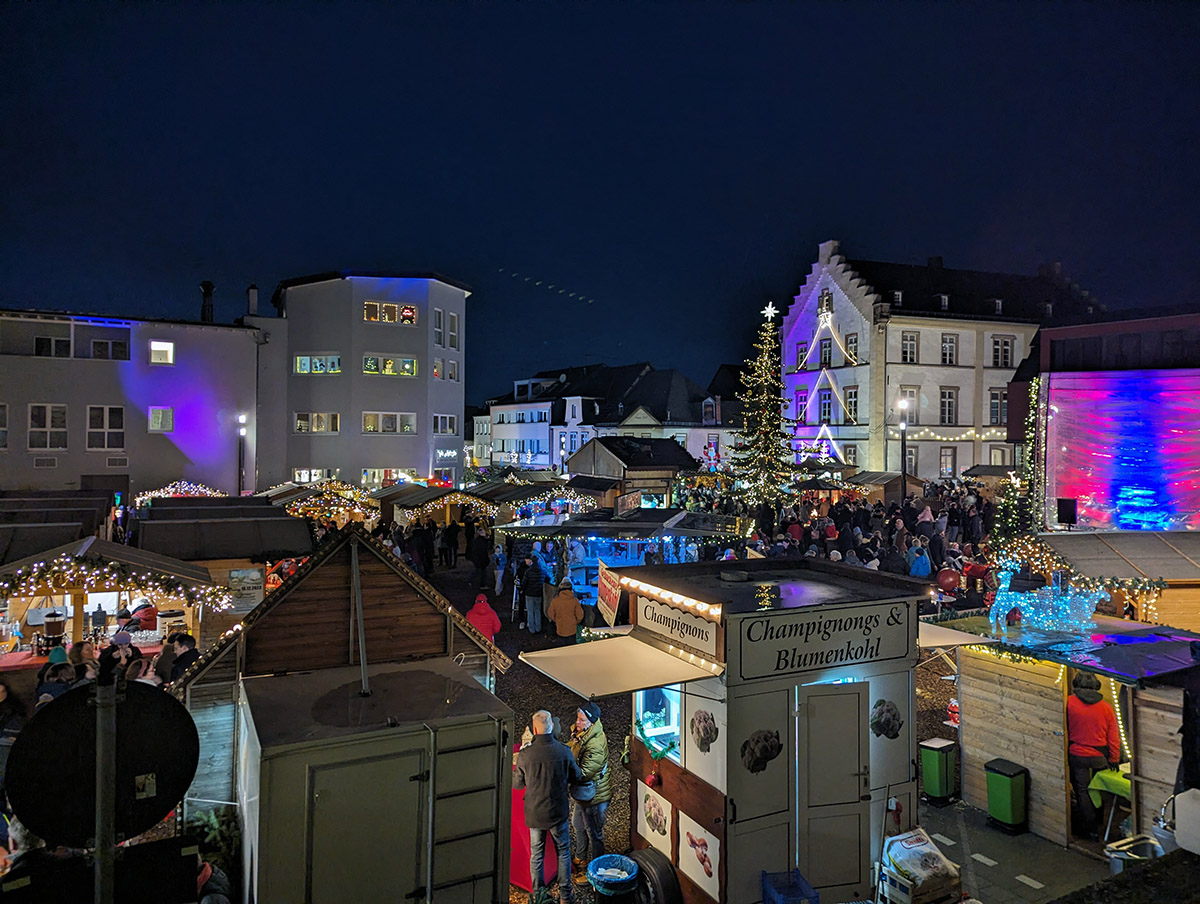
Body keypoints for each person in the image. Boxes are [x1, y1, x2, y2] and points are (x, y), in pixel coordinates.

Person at [513, 710, 580, 904]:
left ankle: (538, 894)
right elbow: (576, 776)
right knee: (564, 851)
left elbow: (517, 784)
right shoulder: (563, 751)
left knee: (537, 854)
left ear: (534, 730)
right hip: (558, 812)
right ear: (551, 726)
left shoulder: (525, 756)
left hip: (535, 814)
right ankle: (566, 896)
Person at [1067, 672, 1121, 840]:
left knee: (1082, 791)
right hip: (1099, 755)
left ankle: (1089, 829)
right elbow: (1113, 738)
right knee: (1098, 789)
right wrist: (1114, 758)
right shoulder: (1106, 708)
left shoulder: (1069, 702)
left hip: (1077, 753)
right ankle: (1100, 824)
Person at [567, 702, 611, 885]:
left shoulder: (594, 745)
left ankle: (596, 871)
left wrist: (565, 771)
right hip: (584, 793)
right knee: (578, 823)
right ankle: (581, 856)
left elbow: (585, 773)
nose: (577, 722)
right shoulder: (583, 733)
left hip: (594, 795)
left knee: (595, 833)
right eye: (578, 718)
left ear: (591, 722)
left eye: (581, 719)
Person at [522, 554, 546, 635]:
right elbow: (548, 579)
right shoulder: (543, 571)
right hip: (538, 593)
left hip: (529, 593)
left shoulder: (528, 572)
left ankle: (531, 629)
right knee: (537, 611)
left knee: (530, 612)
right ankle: (538, 628)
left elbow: (524, 583)